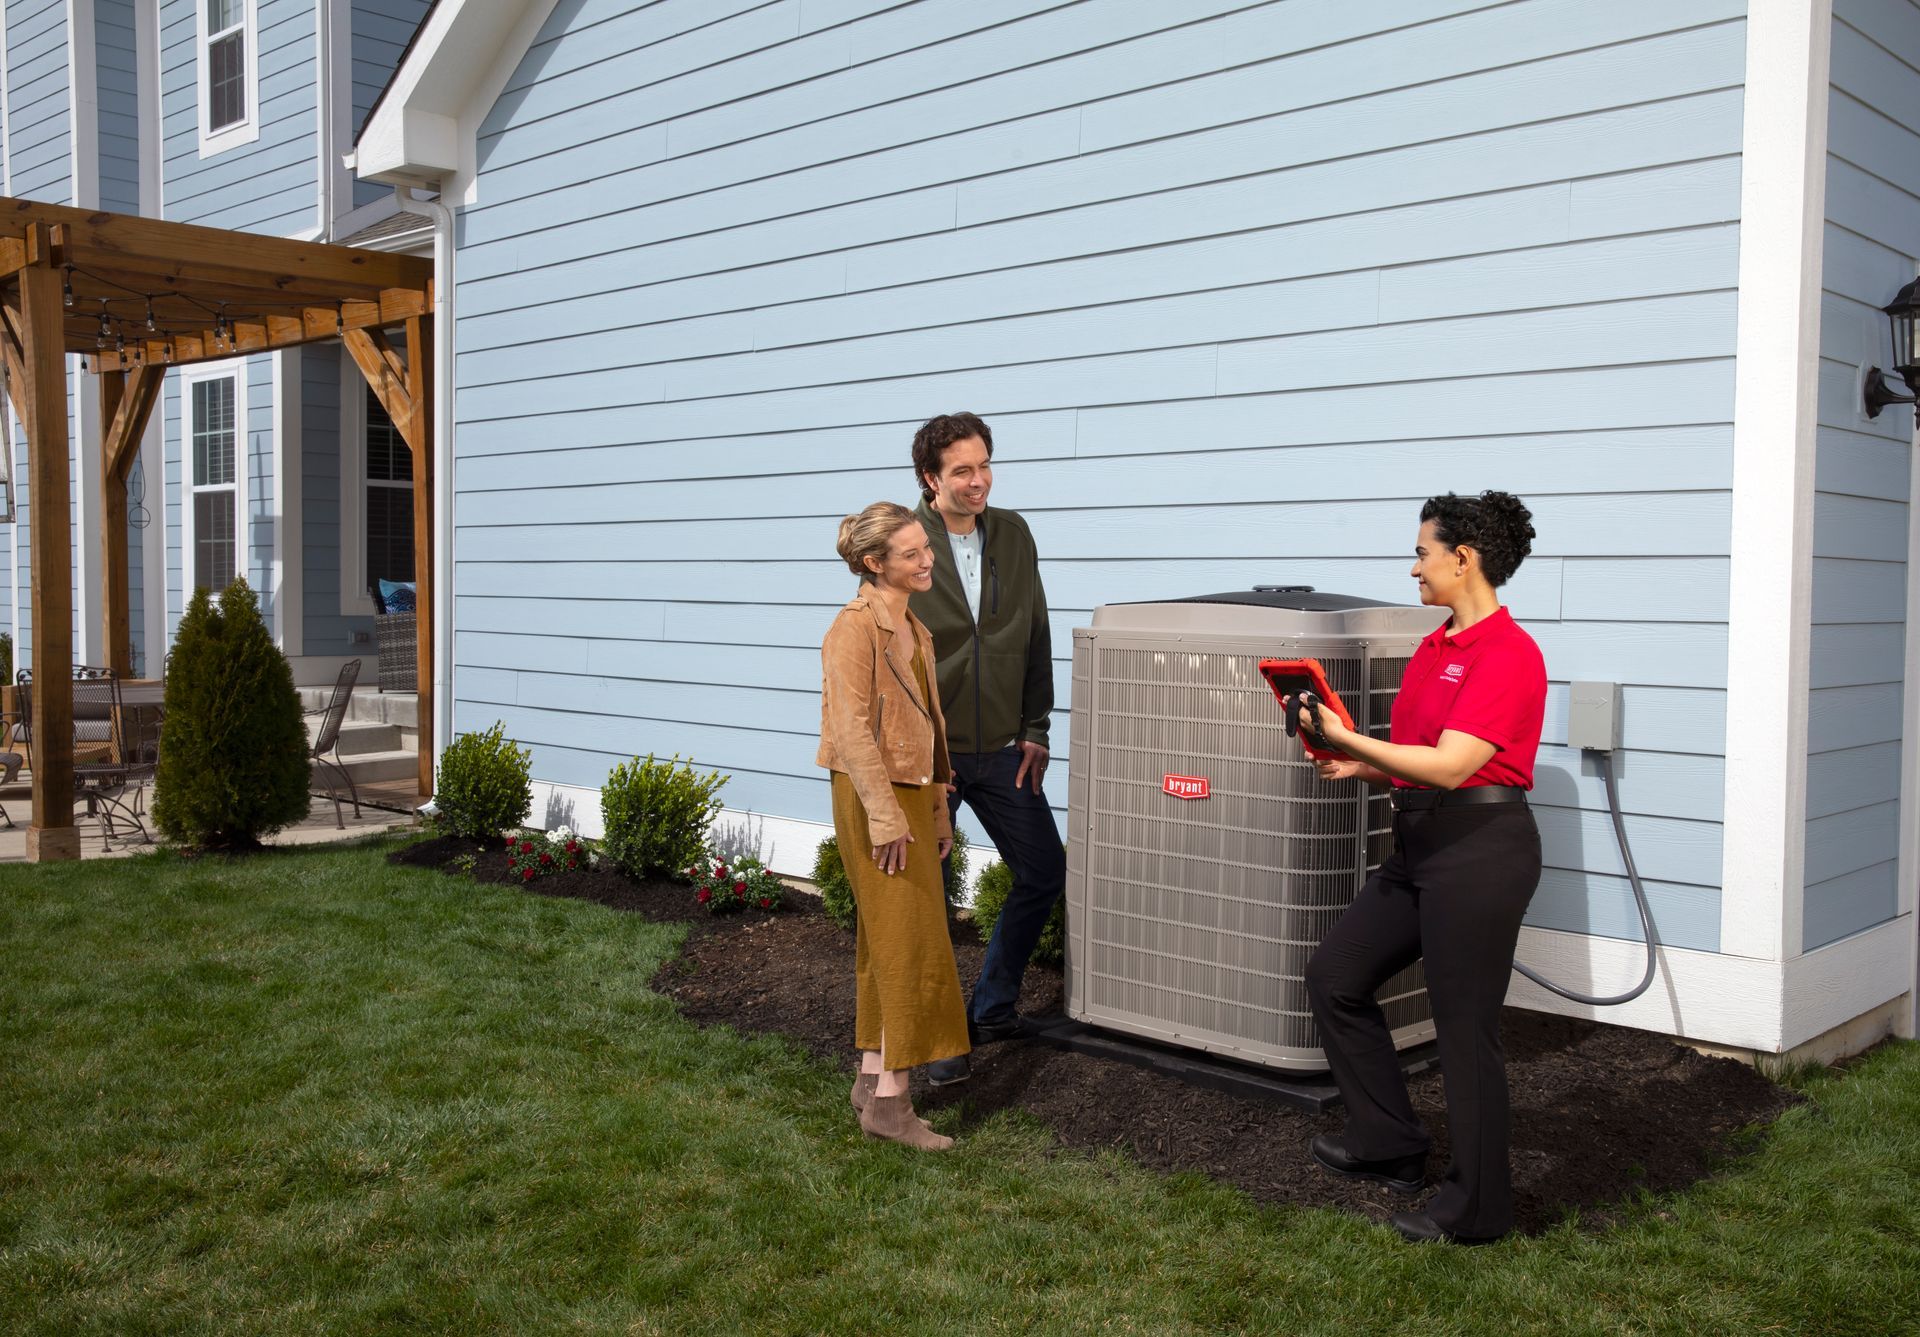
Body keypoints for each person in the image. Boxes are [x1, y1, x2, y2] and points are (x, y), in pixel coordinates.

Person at [1290, 490, 1545, 1245]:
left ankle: (1477, 1209)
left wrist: (1355, 741)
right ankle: (1388, 1140)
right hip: (1422, 844)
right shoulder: (1437, 647)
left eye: (1423, 553)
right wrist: (1356, 763)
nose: (1414, 568)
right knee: (1335, 974)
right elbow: (1426, 760)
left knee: (1466, 1034)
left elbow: (1455, 765)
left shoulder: (1509, 653)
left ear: (1463, 558)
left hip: (1481, 852)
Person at [907, 412, 1065, 1087]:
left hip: (1003, 746)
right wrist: (918, 761)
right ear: (930, 479)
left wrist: (1036, 725)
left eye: (984, 465)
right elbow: (892, 657)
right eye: (962, 471)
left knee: (1043, 871)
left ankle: (993, 1005)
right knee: (922, 897)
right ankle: (938, 1036)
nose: (979, 481)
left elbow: (1035, 627)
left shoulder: (1014, 534)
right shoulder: (906, 543)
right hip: (929, 756)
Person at [818, 502, 971, 1150]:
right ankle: (893, 1105)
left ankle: (872, 1079)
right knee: (908, 944)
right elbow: (852, 731)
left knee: (889, 941)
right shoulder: (853, 628)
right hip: (871, 793)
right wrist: (886, 816)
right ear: (876, 562)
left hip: (909, 792)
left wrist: (937, 811)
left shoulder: (915, 626)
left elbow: (930, 731)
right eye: (911, 553)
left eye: (925, 548)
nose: (926, 559)